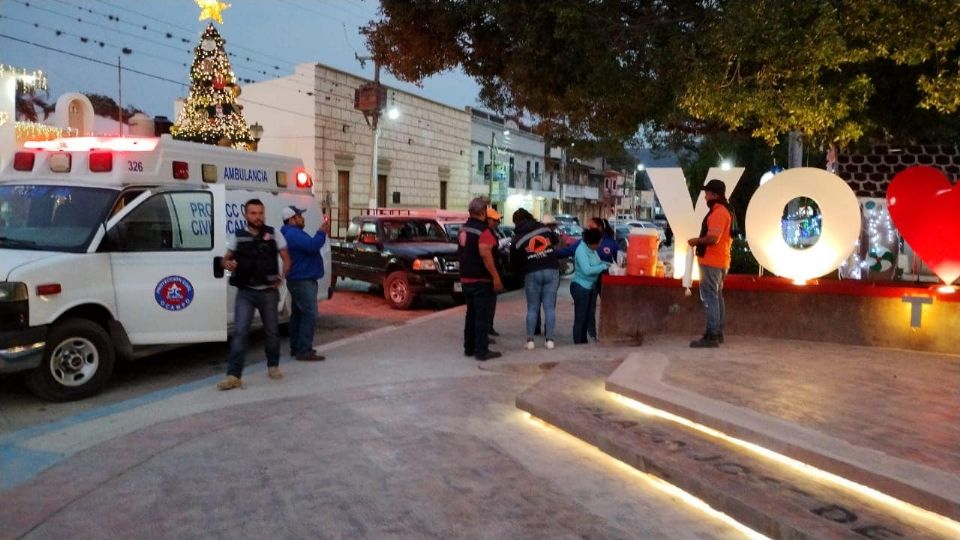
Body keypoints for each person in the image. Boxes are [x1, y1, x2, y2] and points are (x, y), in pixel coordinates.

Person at [218, 199, 291, 390]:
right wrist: (227, 264)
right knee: (240, 332)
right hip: (246, 293)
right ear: (246, 215)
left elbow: (286, 258)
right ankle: (234, 375)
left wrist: (282, 276)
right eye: (253, 213)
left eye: (260, 213)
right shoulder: (238, 236)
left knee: (272, 331)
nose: (257, 217)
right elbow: (225, 260)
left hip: (268, 291)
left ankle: (273, 365)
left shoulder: (274, 234)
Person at [687, 179, 735, 348]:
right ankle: (718, 332)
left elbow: (713, 238)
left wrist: (695, 241)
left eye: (707, 193)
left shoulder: (718, 212)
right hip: (721, 261)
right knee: (717, 296)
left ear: (715, 194)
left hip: (712, 261)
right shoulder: (724, 210)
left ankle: (712, 334)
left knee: (710, 297)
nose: (705, 196)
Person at [458, 197, 503, 361]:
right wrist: (495, 277)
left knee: (470, 314)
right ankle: (481, 351)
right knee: (482, 316)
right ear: (483, 212)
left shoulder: (463, 229)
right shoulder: (484, 231)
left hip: (466, 277)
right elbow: (485, 253)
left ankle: (469, 348)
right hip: (481, 279)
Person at [280, 205, 327, 362]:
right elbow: (312, 246)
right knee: (310, 314)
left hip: (298, 279)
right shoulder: (293, 234)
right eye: (300, 216)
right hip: (302, 280)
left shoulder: (291, 233)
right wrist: (321, 232)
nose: (303, 218)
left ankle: (297, 347)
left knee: (298, 315)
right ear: (292, 219)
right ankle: (304, 349)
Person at [511, 208, 561, 350]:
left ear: (516, 223)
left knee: (532, 308)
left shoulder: (517, 239)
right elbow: (556, 240)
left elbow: (514, 261)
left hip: (532, 271)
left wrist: (521, 272)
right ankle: (550, 340)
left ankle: (530, 341)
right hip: (551, 269)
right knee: (549, 307)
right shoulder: (543, 229)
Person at [571, 228, 609, 344]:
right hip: (581, 287)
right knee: (580, 318)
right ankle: (578, 342)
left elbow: (597, 263)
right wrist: (603, 267)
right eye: (598, 243)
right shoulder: (581, 250)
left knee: (588, 316)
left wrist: (606, 264)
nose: (599, 245)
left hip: (590, 287)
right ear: (591, 242)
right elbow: (587, 270)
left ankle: (584, 341)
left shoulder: (592, 250)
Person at [486, 207, 505, 339]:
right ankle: (485, 331)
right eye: (495, 220)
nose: (498, 223)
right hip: (487, 275)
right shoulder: (486, 234)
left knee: (491, 304)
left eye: (498, 220)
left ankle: (489, 328)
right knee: (487, 305)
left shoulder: (492, 233)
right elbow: (487, 256)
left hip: (490, 273)